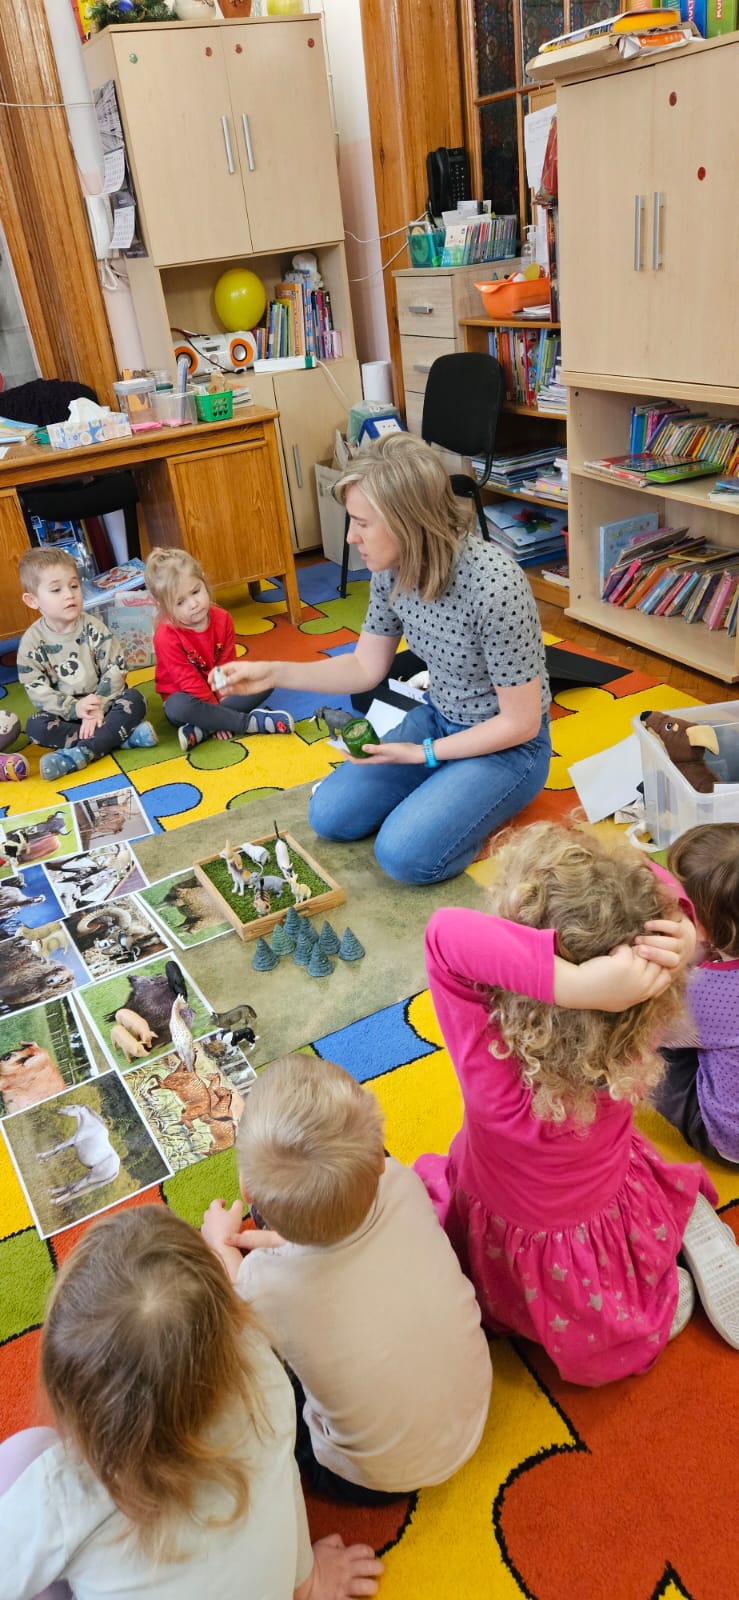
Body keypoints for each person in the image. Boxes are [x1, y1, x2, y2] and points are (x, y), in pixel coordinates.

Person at [414, 820, 739, 1386]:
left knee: (598, 1348)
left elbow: (446, 933)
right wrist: (682, 929)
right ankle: (662, 1242)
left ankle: (649, 1286)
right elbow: (653, 881)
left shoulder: (492, 1073)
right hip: (609, 1196)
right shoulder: (638, 1025)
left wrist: (571, 984)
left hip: (539, 1237)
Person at [209, 434, 551, 884]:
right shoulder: (392, 569)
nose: (351, 537)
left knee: (403, 856)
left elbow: (521, 723)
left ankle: (470, 797)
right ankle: (448, 786)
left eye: (362, 523)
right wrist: (273, 672)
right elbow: (365, 667)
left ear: (408, 522)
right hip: (440, 717)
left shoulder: (495, 584)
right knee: (330, 816)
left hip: (510, 748)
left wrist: (421, 754)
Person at [0, 1205, 383, 1600]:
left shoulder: (65, 1490)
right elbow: (285, 1486)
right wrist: (307, 1581)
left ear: (70, 1393)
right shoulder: (263, 1371)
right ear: (229, 1324)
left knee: (19, 1456)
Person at [202, 1053, 493, 1502]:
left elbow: (240, 1302)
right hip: (473, 1407)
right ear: (379, 1159)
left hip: (372, 1479)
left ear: (247, 1192)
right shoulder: (403, 1182)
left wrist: (221, 1245)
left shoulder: (265, 1284)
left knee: (256, 1381)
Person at [17, 549, 157, 780]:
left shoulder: (94, 627)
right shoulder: (31, 643)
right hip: (67, 715)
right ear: (32, 600)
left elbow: (116, 667)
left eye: (74, 586)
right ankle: (120, 738)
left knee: (135, 699)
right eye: (56, 590)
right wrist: (75, 708)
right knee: (35, 726)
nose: (69, 595)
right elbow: (37, 691)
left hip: (106, 706)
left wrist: (98, 704)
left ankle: (79, 754)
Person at [145, 548, 294, 752]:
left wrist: (221, 702)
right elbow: (188, 681)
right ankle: (248, 723)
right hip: (186, 697)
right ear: (162, 606)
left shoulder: (223, 619)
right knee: (177, 706)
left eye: (195, 592)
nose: (193, 604)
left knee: (266, 678)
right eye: (180, 602)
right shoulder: (165, 635)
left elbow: (226, 664)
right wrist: (216, 714)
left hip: (219, 693)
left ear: (203, 580)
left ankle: (201, 729)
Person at [653, 822, 739, 1164]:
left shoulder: (707, 994)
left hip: (725, 1139)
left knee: (638, 1044)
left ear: (700, 927)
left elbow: (653, 1027)